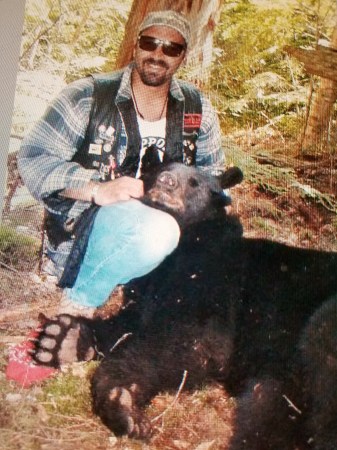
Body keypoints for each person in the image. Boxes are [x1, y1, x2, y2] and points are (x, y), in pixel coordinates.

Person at [17, 10, 224, 319]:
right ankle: (77, 306)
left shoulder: (197, 109)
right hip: (87, 228)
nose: (157, 54)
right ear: (135, 45)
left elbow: (213, 179)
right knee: (158, 231)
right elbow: (33, 158)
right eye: (149, 42)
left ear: (183, 57)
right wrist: (96, 189)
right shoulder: (88, 96)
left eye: (171, 48)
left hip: (168, 245)